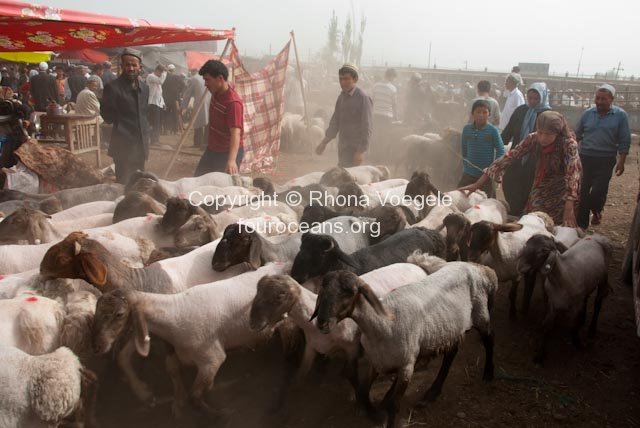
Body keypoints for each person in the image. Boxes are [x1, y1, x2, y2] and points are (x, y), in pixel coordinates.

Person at [459, 111, 581, 226]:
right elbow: (510, 156)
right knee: (533, 217)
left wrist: (569, 205)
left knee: (561, 223)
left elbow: (572, 174)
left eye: (548, 134)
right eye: (540, 132)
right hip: (541, 183)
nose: (542, 138)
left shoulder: (568, 145)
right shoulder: (533, 139)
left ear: (557, 132)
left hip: (564, 189)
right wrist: (478, 183)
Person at [575, 84, 630, 229]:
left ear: (611, 99)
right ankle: (582, 226)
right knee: (582, 192)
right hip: (585, 158)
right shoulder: (587, 114)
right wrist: (574, 155)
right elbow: (577, 135)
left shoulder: (620, 116)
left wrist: (621, 161)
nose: (599, 101)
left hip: (605, 160)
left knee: (598, 191)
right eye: (597, 98)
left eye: (603, 99)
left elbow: (625, 139)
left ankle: (597, 210)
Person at [500, 82, 551, 216]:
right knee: (509, 181)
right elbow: (508, 132)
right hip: (517, 155)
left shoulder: (548, 116)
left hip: (537, 159)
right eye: (530, 98)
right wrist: (499, 145)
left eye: (536, 98)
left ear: (543, 97)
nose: (533, 101)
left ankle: (525, 213)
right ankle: (515, 209)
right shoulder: (521, 111)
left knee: (530, 186)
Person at [100, 48, 150, 185]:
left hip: (141, 145)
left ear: (140, 67)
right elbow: (107, 115)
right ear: (122, 67)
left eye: (134, 65)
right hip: (123, 146)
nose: (131, 68)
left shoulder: (145, 88)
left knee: (140, 183)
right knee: (124, 183)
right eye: (127, 65)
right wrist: (123, 123)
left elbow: (144, 114)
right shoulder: (113, 88)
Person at [315, 63, 373, 167]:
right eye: (340, 79)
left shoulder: (363, 98)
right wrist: (323, 143)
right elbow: (335, 123)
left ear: (355, 79)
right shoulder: (341, 97)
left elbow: (367, 126)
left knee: (350, 179)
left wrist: (360, 151)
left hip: (355, 149)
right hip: (343, 146)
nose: (342, 82)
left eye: (346, 79)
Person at [194, 60, 244, 176]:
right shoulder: (215, 92)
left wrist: (231, 161)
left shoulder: (233, 103)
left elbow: (235, 133)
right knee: (198, 181)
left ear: (220, 78)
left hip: (227, 153)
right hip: (212, 150)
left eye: (207, 80)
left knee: (222, 190)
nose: (205, 84)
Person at [459, 99, 505, 198]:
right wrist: (466, 166)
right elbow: (464, 149)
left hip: (486, 177)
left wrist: (493, 169)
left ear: (489, 114)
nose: (481, 115)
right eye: (478, 112)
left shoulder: (493, 131)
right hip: (468, 174)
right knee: (459, 199)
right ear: (472, 114)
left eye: (485, 112)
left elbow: (501, 150)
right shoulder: (466, 129)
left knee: (488, 205)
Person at [371, 68, 398, 158]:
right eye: (394, 77)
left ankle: (373, 156)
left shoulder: (375, 86)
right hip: (387, 116)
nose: (394, 79)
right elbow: (394, 104)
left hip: (376, 114)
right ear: (391, 76)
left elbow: (372, 100)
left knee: (375, 135)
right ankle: (380, 157)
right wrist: (396, 116)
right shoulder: (393, 89)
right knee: (384, 137)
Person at [182, 69, 209, 148]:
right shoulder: (207, 77)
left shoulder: (194, 79)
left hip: (200, 102)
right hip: (209, 102)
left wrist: (184, 106)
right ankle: (205, 143)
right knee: (208, 123)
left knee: (198, 122)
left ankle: (198, 142)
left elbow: (187, 94)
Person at [162, 64, 186, 134]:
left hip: (166, 98)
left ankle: (166, 130)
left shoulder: (164, 77)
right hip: (175, 99)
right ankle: (175, 130)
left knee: (166, 114)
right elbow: (183, 85)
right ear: (174, 70)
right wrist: (180, 92)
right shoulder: (176, 77)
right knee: (175, 114)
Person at [146, 64, 167, 145]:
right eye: (160, 73)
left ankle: (156, 139)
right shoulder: (150, 76)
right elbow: (161, 81)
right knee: (154, 122)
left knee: (158, 122)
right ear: (157, 71)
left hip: (158, 103)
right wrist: (165, 72)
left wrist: (163, 103)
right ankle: (153, 140)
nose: (161, 75)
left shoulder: (156, 78)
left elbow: (159, 93)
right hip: (153, 103)